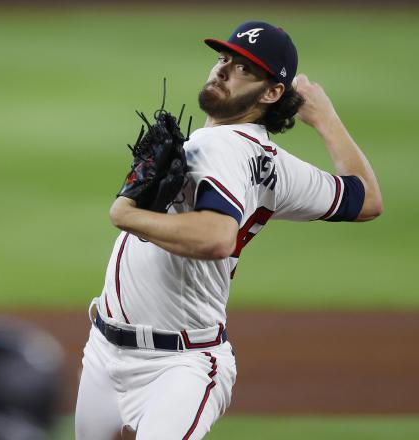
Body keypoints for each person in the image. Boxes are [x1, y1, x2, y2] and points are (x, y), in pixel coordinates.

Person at [74, 21, 382, 440]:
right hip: (113, 353)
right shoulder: (269, 159)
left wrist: (125, 214)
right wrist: (326, 120)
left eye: (244, 69)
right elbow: (365, 200)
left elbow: (217, 237)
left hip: (179, 365)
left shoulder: (224, 147)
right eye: (224, 59)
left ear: (272, 92)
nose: (222, 70)